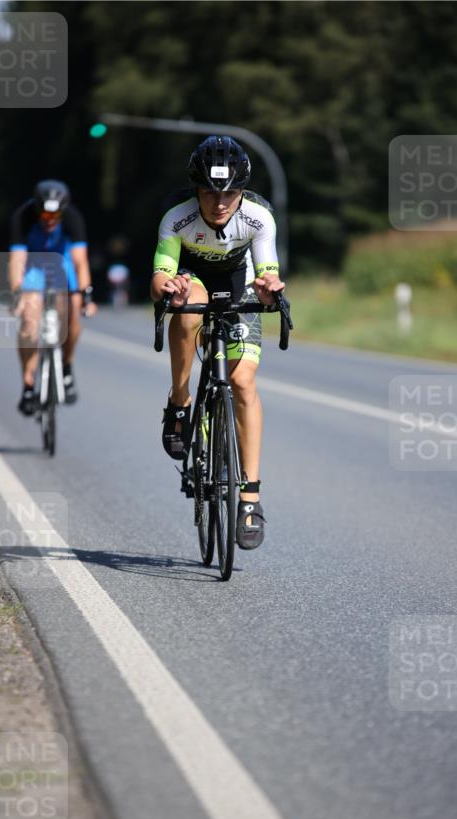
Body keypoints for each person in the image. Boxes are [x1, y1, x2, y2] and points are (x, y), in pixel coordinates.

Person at [150, 135, 285, 550]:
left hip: (239, 285)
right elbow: (159, 276)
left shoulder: (259, 217)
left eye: (230, 192)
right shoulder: (177, 218)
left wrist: (269, 288)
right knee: (188, 299)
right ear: (196, 189)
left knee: (243, 383)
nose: (220, 201)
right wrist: (166, 285)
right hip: (191, 282)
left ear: (242, 191)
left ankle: (250, 497)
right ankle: (180, 398)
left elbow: (266, 272)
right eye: (210, 191)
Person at [8, 179, 96, 415]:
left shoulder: (73, 217)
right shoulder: (22, 216)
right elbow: (17, 260)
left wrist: (86, 293)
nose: (50, 221)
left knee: (73, 311)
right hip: (34, 264)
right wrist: (18, 292)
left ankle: (66, 366)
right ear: (37, 209)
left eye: (55, 216)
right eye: (45, 216)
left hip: (61, 261)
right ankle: (28, 383)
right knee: (29, 322)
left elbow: (80, 261)